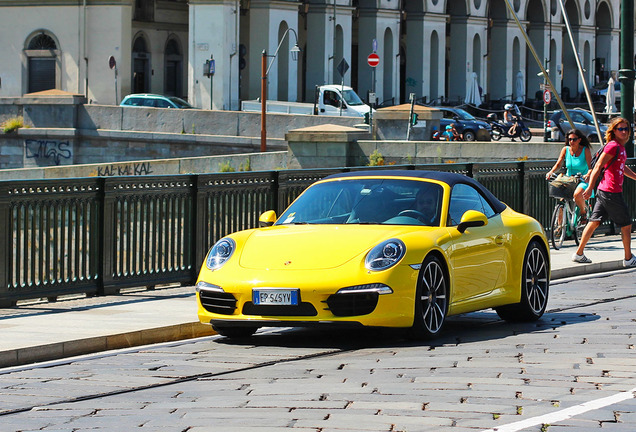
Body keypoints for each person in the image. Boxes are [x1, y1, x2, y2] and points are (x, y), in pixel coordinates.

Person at [572, 117, 636, 267]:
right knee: (626, 224)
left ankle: (579, 253)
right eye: (620, 129)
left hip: (605, 190)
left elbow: (621, 166)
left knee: (594, 221)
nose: (624, 132)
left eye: (626, 129)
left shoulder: (619, 147)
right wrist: (589, 188)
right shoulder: (613, 146)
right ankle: (628, 258)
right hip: (611, 191)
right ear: (614, 131)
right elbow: (598, 166)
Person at [545, 129, 593, 225]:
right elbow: (558, 164)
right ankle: (560, 227)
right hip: (569, 179)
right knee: (560, 201)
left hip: (582, 179)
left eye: (574, 139)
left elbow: (591, 167)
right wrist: (551, 172)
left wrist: (587, 174)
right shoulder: (565, 150)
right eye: (569, 139)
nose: (571, 141)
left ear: (579, 140)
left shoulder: (585, 150)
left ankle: (583, 212)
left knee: (577, 195)